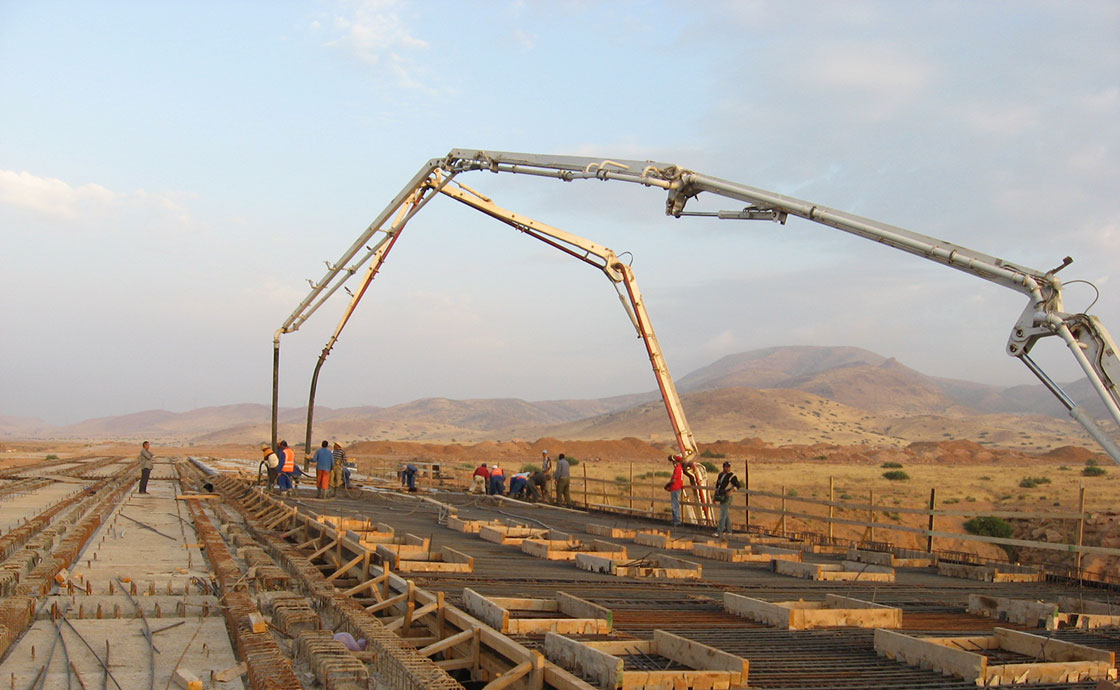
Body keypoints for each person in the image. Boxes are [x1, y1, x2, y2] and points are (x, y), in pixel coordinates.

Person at [713, 461, 742, 538]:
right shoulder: (720, 475)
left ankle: (719, 531)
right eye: (726, 467)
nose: (727, 468)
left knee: (723, 514)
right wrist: (714, 496)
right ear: (723, 467)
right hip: (721, 495)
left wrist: (731, 491)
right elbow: (717, 486)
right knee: (726, 514)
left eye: (728, 467)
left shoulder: (732, 476)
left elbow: (738, 485)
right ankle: (729, 531)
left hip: (727, 497)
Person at [665, 455, 684, 526]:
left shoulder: (677, 469)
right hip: (677, 487)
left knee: (675, 504)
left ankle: (677, 520)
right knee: (675, 504)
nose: (673, 462)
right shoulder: (680, 468)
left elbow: (673, 480)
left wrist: (667, 485)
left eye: (673, 461)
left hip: (675, 488)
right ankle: (675, 519)